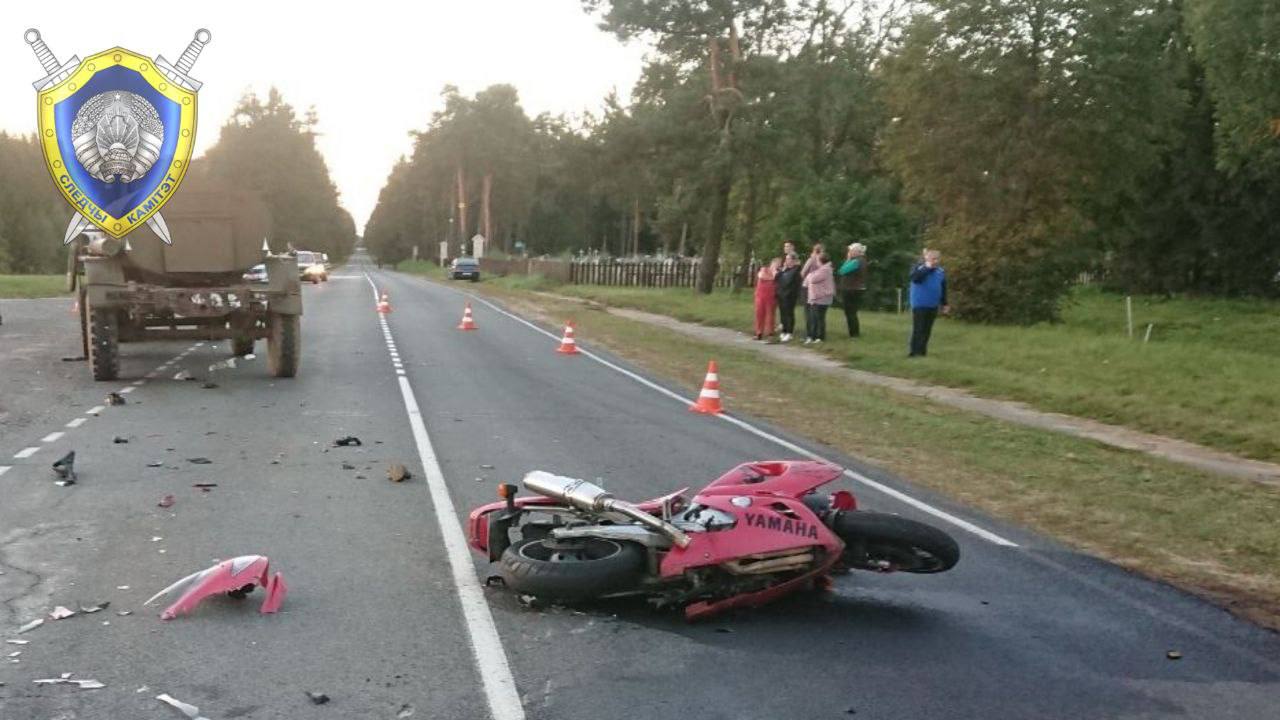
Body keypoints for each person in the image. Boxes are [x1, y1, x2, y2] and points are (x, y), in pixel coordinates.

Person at [908, 248, 950, 357]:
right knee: (919, 328)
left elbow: (943, 287)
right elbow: (915, 278)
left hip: (933, 304)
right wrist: (927, 268)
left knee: (927, 329)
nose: (935, 261)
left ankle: (922, 352)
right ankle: (914, 352)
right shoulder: (919, 268)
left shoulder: (940, 271)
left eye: (937, 259)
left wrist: (945, 303)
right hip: (920, 303)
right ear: (927, 258)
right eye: (933, 259)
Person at [802, 253, 834, 344]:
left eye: (817, 260)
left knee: (819, 318)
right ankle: (813, 336)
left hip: (822, 298)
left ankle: (820, 337)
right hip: (816, 297)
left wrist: (810, 274)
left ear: (821, 261)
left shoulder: (825, 270)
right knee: (814, 318)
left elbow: (812, 279)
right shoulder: (822, 269)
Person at [836, 242, 867, 337]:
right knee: (851, 312)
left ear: (857, 251)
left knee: (850, 312)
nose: (849, 252)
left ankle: (854, 333)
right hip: (855, 288)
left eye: (850, 251)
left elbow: (842, 271)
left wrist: (848, 259)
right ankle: (854, 332)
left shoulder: (856, 261)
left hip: (852, 289)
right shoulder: (860, 260)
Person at [774, 252, 801, 342]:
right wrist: (782, 270)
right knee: (783, 314)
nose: (786, 261)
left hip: (790, 295)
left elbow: (788, 281)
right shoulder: (785, 270)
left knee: (789, 314)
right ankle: (784, 331)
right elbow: (776, 278)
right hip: (781, 295)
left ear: (793, 260)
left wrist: (784, 274)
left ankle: (789, 332)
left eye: (788, 259)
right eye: (786, 259)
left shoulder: (796, 270)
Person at [753, 258, 780, 340]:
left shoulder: (778, 273)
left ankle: (770, 333)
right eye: (775, 263)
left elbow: (776, 278)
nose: (777, 265)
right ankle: (759, 333)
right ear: (771, 263)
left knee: (770, 315)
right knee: (759, 314)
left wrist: (775, 273)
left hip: (771, 297)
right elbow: (761, 276)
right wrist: (772, 277)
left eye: (778, 264)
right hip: (760, 296)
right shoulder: (764, 269)